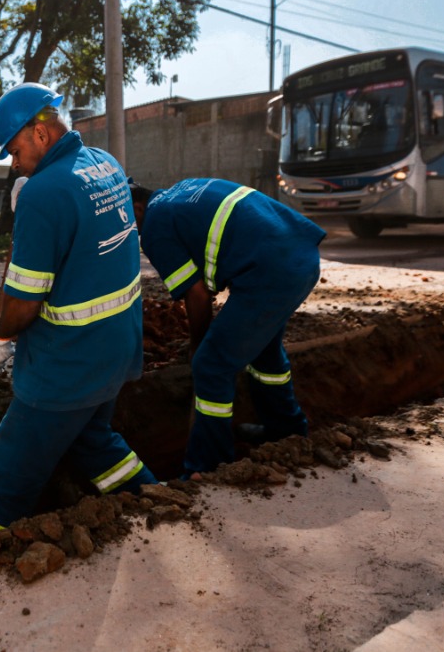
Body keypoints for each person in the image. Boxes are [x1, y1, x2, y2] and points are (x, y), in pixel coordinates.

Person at [0, 82, 158, 544]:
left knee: (7, 471)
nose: (14, 162)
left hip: (67, 366)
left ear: (41, 133)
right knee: (92, 440)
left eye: (14, 150)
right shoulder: (106, 165)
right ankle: (151, 499)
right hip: (116, 352)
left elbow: (24, 298)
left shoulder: (43, 194)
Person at [129, 177, 325, 477]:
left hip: (270, 274)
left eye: (129, 222)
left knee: (211, 363)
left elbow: (196, 294)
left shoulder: (155, 225)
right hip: (300, 258)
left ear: (139, 207)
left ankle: (209, 465)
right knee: (264, 351)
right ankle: (286, 431)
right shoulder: (184, 188)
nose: (132, 231)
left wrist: (199, 345)